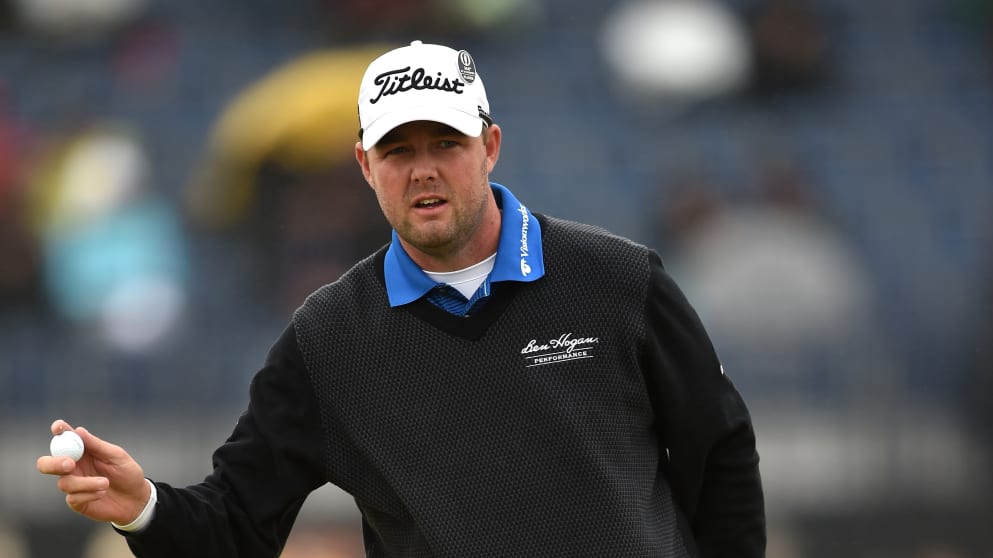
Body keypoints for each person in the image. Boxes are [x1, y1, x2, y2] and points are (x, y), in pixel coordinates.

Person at [37, 40, 765, 557]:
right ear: (364, 164)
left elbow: (719, 451)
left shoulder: (619, 281)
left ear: (489, 147)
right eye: (397, 150)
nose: (422, 171)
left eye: (443, 143)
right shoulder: (328, 339)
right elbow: (236, 526)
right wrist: (144, 509)